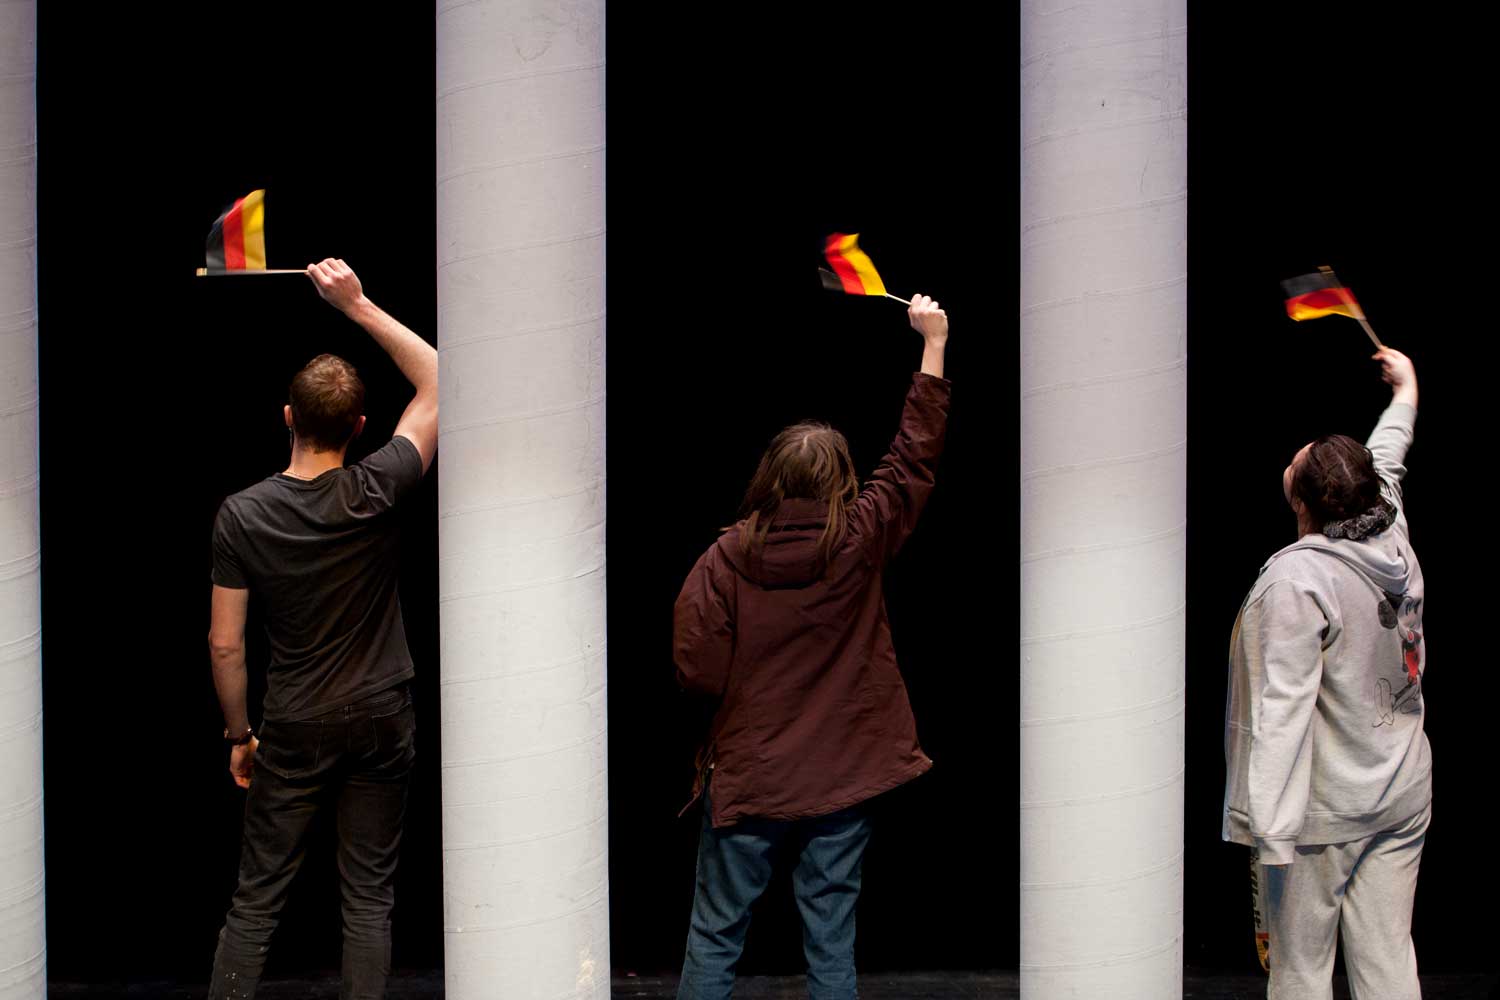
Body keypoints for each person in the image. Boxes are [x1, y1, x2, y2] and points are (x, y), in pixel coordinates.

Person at [672, 294, 951, 1000]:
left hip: (753, 774)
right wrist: (934, 344)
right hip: (841, 774)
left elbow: (696, 669)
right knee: (831, 937)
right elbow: (913, 456)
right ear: (838, 483)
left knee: (714, 936)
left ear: (770, 476)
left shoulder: (722, 561)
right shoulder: (859, 541)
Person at [206, 258, 438, 1000]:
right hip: (380, 716)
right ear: (361, 427)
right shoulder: (378, 486)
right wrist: (357, 305)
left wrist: (240, 735)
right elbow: (442, 379)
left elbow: (225, 644)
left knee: (257, 900)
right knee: (368, 898)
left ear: (286, 418)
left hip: (297, 721)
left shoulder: (241, 515)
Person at [1223, 347, 1429, 999]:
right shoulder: (1387, 526)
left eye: (1298, 462)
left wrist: (1266, 830)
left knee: (1301, 971)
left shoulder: (1297, 580)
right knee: (1388, 958)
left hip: (1322, 814)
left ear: (1303, 497)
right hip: (1399, 789)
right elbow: (1387, 456)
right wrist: (1407, 393)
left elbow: (1278, 711)